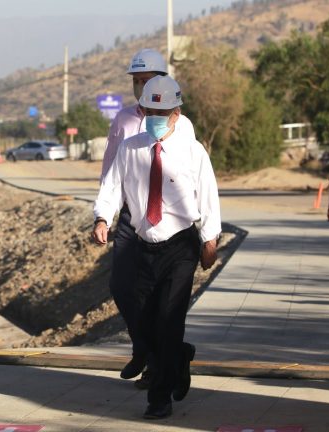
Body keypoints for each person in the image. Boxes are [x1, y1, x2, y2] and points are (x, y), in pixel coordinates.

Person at [93, 75, 220, 419]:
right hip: (143, 246)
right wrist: (102, 218)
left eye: (164, 111)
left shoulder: (192, 152)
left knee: (169, 317)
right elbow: (112, 188)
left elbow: (208, 198)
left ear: (177, 113)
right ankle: (178, 357)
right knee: (146, 321)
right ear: (144, 110)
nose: (157, 116)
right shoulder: (130, 149)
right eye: (151, 110)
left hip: (180, 246)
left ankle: (159, 397)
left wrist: (210, 240)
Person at [100, 48, 197, 389]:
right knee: (122, 287)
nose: (140, 86)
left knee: (157, 299)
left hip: (168, 224)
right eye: (136, 81)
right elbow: (111, 168)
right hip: (131, 216)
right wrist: (103, 214)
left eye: (147, 80)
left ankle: (161, 364)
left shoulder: (181, 124)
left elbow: (192, 171)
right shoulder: (123, 120)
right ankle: (144, 348)